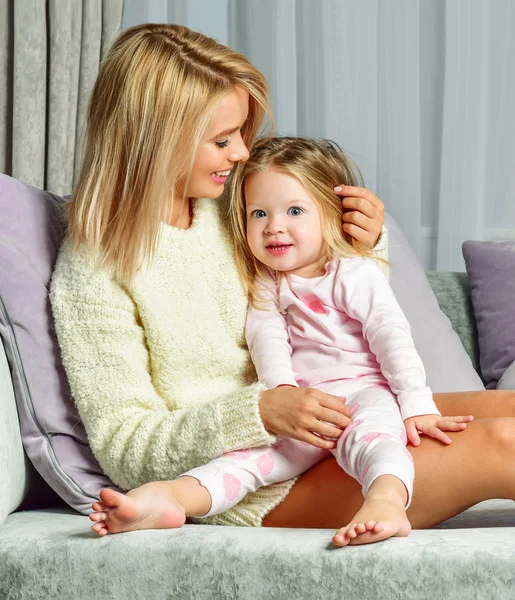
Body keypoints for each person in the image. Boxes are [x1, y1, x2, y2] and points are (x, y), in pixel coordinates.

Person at [49, 23, 515, 542]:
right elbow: (124, 444)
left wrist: (362, 238)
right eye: (223, 140)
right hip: (250, 476)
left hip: (341, 408)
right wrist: (260, 412)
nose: (243, 154)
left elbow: (328, 300)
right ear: (154, 142)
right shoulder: (94, 269)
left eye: (242, 134)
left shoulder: (231, 207)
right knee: (505, 443)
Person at [86, 136, 473, 546]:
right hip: (304, 405)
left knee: (378, 440)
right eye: (259, 213)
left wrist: (415, 404)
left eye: (294, 211)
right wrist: (282, 390)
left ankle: (386, 501)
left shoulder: (352, 272)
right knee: (250, 460)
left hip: (364, 392)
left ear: (331, 215)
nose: (274, 226)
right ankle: (171, 498)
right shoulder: (269, 281)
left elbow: (391, 336)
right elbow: (265, 335)